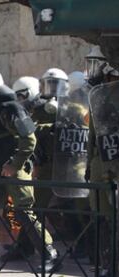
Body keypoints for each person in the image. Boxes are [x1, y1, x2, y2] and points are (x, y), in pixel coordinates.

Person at [0, 68, 59, 272]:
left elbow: (29, 139)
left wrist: (14, 164)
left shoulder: (10, 108)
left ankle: (49, 252)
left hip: (13, 168)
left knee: (24, 212)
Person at [86, 45, 119, 277]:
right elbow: (93, 138)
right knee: (106, 217)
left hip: (114, 165)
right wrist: (89, 165)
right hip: (102, 164)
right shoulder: (99, 97)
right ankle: (110, 264)